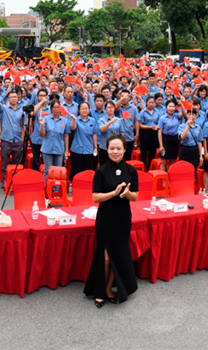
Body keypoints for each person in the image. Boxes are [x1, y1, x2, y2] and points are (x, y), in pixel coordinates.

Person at [84, 133, 139, 307]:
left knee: (118, 256)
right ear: (107, 150)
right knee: (106, 258)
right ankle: (99, 291)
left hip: (122, 218)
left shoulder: (131, 171)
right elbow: (95, 197)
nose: (115, 151)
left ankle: (108, 289)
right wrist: (113, 194)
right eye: (112, 148)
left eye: (118, 149)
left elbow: (135, 197)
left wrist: (126, 193)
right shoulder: (100, 171)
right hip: (105, 218)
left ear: (124, 150)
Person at [0, 89, 26, 184]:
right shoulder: (4, 109)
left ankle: (15, 181)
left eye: (15, 97)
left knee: (16, 164)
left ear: (18, 98)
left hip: (18, 141)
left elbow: (23, 127)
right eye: (11, 97)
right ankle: (5, 181)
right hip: (6, 140)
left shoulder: (21, 111)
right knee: (5, 163)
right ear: (8, 99)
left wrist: (22, 141)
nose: (13, 99)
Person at [39, 100, 71, 180]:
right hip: (47, 149)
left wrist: (66, 150)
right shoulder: (45, 119)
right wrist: (42, 126)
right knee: (47, 170)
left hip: (59, 149)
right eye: (54, 107)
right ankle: (46, 188)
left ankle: (56, 189)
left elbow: (66, 136)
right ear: (51, 109)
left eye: (58, 107)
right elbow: (42, 134)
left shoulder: (65, 121)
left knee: (58, 170)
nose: (56, 109)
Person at [70, 101, 98, 180]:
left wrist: (95, 147)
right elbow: (73, 128)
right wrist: (74, 120)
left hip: (89, 149)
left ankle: (85, 188)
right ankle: (74, 187)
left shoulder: (92, 120)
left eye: (86, 108)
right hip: (77, 149)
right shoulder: (76, 119)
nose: (84, 110)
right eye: (82, 109)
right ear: (79, 110)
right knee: (76, 170)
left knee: (87, 171)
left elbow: (94, 134)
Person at [157, 100, 182, 171]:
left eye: (173, 106)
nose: (171, 108)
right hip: (165, 140)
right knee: (163, 162)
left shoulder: (176, 116)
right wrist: (161, 145)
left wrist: (181, 104)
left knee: (173, 161)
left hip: (174, 140)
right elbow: (159, 132)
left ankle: (170, 178)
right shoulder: (162, 118)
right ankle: (163, 180)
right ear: (166, 107)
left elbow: (184, 114)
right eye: (169, 106)